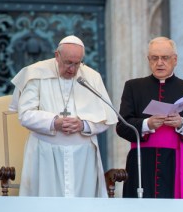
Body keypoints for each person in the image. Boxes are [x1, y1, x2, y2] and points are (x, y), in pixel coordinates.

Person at [10, 35, 117, 197]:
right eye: (68, 63)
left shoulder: (91, 77)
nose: (72, 69)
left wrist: (83, 125)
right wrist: (54, 122)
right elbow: (25, 114)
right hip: (45, 154)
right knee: (45, 207)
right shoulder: (35, 73)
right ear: (57, 56)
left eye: (77, 63)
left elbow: (106, 118)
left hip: (83, 158)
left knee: (82, 209)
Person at [117, 37, 183, 198]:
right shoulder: (133, 87)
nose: (159, 63)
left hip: (175, 163)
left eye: (164, 58)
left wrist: (182, 123)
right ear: (148, 60)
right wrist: (147, 124)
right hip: (142, 164)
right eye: (154, 58)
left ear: (175, 60)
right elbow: (122, 126)